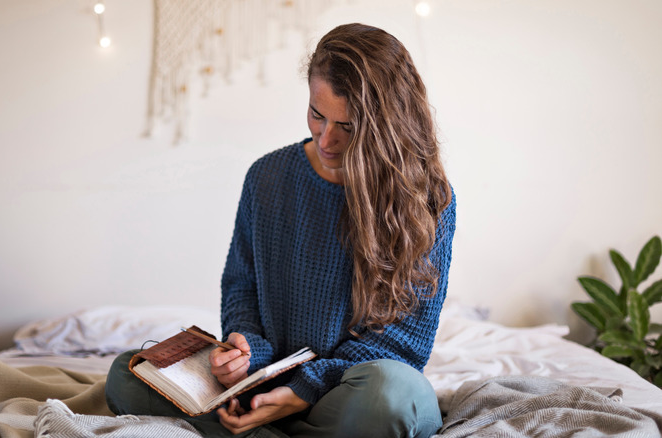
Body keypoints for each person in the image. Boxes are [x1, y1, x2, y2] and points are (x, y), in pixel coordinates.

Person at [105, 23, 456, 438]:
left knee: (395, 396)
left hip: (348, 392)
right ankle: (268, 425)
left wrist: (305, 390)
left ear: (386, 127)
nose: (326, 139)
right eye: (317, 114)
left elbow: (402, 344)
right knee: (127, 374)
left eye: (348, 126)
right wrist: (244, 349)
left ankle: (261, 430)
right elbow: (241, 287)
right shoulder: (266, 176)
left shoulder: (424, 198)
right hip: (264, 388)